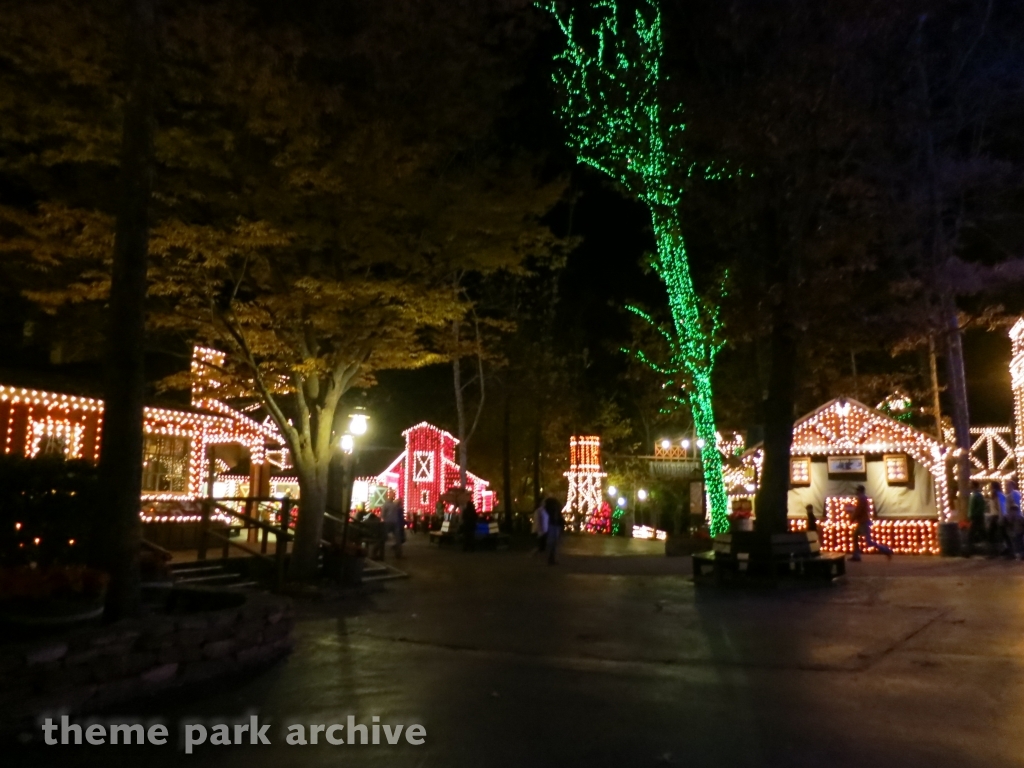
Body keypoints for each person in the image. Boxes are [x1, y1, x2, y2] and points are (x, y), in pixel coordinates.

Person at [849, 485, 892, 562]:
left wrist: (852, 519)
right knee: (855, 536)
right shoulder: (863, 499)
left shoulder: (862, 499)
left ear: (860, 491)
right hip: (863, 522)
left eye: (857, 490)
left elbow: (858, 511)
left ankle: (886, 550)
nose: (856, 492)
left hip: (863, 523)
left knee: (869, 542)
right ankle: (856, 555)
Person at [381, 491, 405, 559]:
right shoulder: (387, 504)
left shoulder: (394, 504)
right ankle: (378, 552)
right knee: (383, 537)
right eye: (392, 495)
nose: (393, 496)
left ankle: (398, 554)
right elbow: (383, 514)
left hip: (394, 522)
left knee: (398, 539)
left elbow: (400, 508)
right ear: (389, 495)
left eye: (394, 495)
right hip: (388, 522)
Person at [967, 481, 988, 557]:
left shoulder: (977, 495)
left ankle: (969, 552)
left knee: (971, 534)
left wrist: (973, 515)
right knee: (981, 533)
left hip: (977, 517)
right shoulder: (974, 495)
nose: (969, 485)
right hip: (976, 517)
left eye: (970, 484)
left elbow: (979, 507)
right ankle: (987, 549)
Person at [988, 481, 1008, 557]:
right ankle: (1000, 550)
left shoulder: (998, 495)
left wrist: (1001, 517)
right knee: (1000, 534)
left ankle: (996, 551)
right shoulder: (996, 495)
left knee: (995, 534)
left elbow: (1001, 507)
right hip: (995, 516)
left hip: (997, 516)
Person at [1006, 479, 1024, 560]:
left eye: (1008, 485)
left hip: (1015, 517)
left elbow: (1012, 507)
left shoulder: (1011, 495)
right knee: (1018, 536)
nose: (1006, 487)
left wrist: (1010, 516)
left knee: (1017, 536)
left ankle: (1018, 553)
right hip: (1019, 516)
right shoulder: (1018, 494)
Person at [544, 497, 565, 565]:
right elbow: (560, 519)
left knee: (551, 543)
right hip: (555, 526)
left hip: (552, 526)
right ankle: (552, 558)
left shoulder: (548, 511)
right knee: (554, 543)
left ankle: (551, 558)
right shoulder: (555, 512)